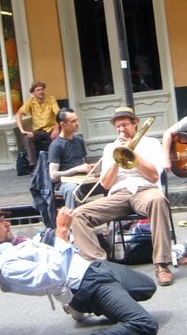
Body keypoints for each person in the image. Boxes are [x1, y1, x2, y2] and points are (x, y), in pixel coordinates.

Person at [0, 200, 158, 334]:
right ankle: (88, 303)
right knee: (144, 324)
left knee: (147, 287)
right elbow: (54, 275)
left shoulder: (2, 243)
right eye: (1, 222)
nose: (7, 224)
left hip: (94, 267)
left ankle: (100, 305)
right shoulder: (6, 268)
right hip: (87, 286)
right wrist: (62, 233)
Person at [71, 107, 175, 287]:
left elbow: (153, 176)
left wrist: (132, 153)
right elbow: (105, 184)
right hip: (119, 194)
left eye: (125, 125)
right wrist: (118, 158)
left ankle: (162, 264)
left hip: (145, 189)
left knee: (158, 200)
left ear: (135, 124)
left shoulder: (151, 143)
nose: (121, 130)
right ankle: (100, 266)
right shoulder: (111, 147)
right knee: (78, 215)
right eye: (118, 127)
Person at [47, 107, 92, 209]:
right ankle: (73, 222)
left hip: (82, 179)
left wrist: (90, 168)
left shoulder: (79, 140)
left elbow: (84, 162)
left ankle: (114, 224)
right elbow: (53, 176)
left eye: (77, 120)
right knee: (72, 190)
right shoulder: (56, 145)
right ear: (63, 124)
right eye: (73, 121)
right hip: (65, 183)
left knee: (108, 183)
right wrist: (76, 169)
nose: (77, 123)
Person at [15, 80, 60, 169]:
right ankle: (34, 166)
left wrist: (56, 129)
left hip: (50, 129)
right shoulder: (30, 102)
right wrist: (22, 130)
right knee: (27, 138)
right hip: (38, 131)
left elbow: (59, 114)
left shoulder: (51, 99)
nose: (41, 92)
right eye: (38, 90)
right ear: (33, 92)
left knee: (58, 137)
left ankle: (56, 163)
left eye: (42, 89)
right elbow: (18, 114)